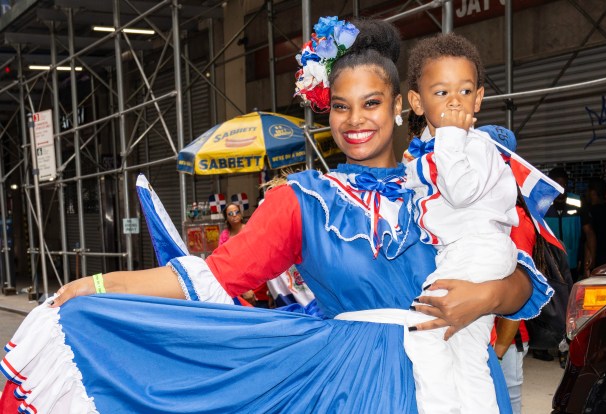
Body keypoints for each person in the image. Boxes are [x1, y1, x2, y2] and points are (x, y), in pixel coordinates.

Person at [1, 18, 552, 414]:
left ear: (404, 104)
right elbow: (210, 276)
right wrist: (100, 283)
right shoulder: (303, 199)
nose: (355, 120)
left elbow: (524, 280)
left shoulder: (456, 174)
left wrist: (485, 298)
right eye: (341, 106)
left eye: (371, 103)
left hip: (461, 383)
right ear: (325, 110)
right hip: (346, 389)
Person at [402, 33, 519, 413]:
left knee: (424, 335)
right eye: (440, 93)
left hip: (478, 249)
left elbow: (460, 191)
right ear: (417, 102)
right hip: (467, 252)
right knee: (468, 355)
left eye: (465, 91)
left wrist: (449, 136)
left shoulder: (476, 145)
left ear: (479, 98)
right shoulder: (432, 147)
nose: (454, 101)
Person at [544, 167, 596, 281]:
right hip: (549, 264)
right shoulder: (541, 204)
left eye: (564, 184)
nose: (561, 188)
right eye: (557, 185)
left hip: (572, 263)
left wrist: (591, 256)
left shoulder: (577, 202)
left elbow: (589, 232)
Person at [585, 177, 606, 268]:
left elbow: (588, 240)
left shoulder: (590, 214)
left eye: (588, 190)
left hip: (597, 263)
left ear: (593, 192)